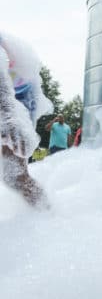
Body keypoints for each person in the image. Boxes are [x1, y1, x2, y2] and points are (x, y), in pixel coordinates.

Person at [0, 46, 48, 208]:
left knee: (15, 175)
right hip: (11, 96)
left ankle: (49, 216)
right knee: (13, 176)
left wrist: (9, 117)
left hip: (16, 97)